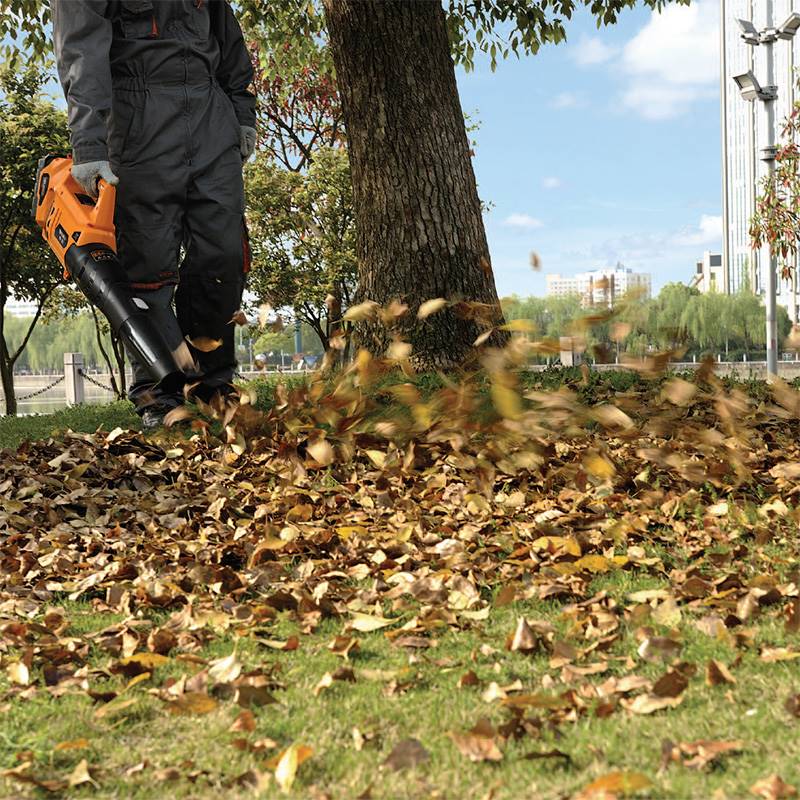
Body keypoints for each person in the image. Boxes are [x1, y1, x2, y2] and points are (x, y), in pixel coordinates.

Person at [52, 0, 256, 430]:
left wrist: (241, 112)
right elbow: (80, 47)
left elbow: (229, 40)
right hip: (136, 115)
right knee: (147, 264)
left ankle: (212, 385)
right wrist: (88, 144)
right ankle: (160, 395)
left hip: (209, 112)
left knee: (222, 255)